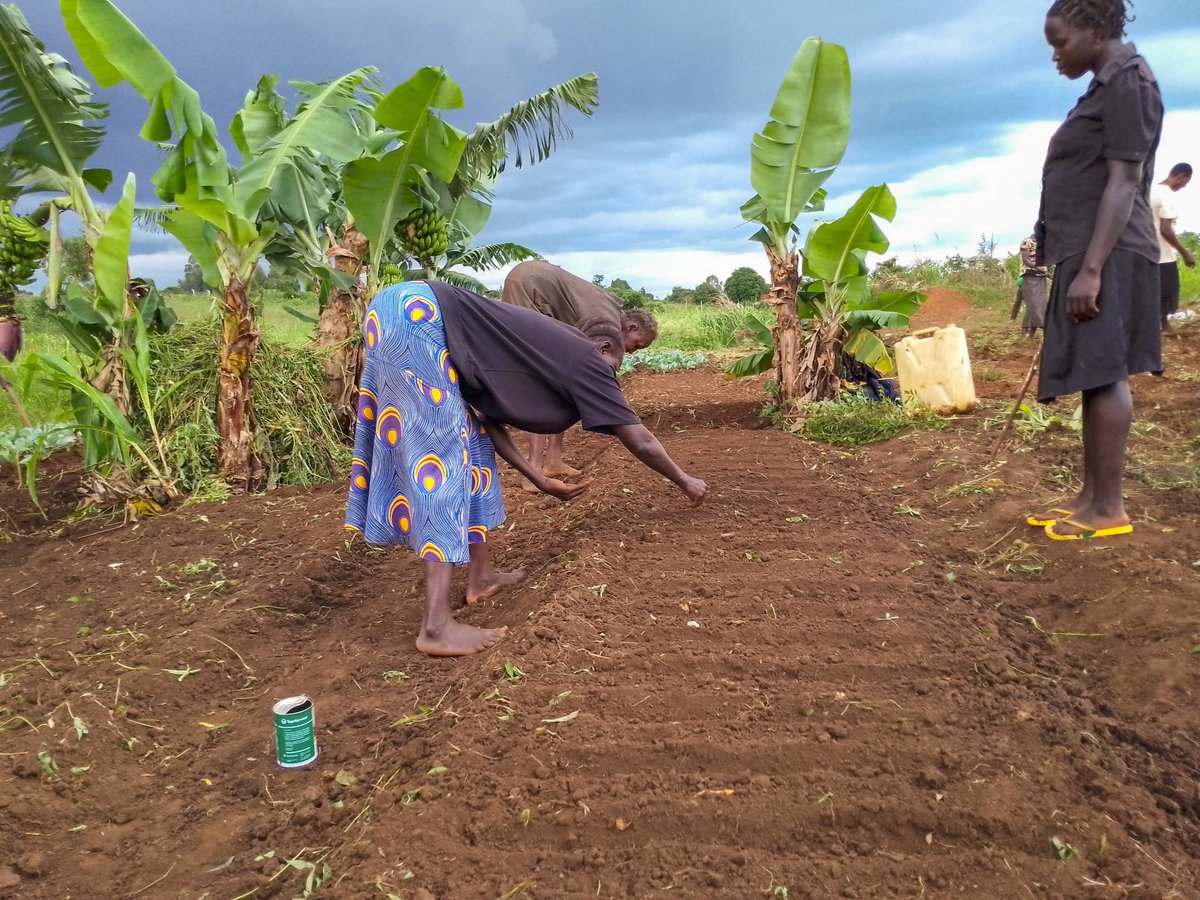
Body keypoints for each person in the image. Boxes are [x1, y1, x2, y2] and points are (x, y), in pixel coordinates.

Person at [345, 280, 706, 657]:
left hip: (403, 313)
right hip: (417, 315)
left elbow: (486, 420)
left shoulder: (545, 355)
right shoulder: (585, 359)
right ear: (603, 347)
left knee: (472, 446)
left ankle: (481, 578)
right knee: (441, 458)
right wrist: (684, 480)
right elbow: (640, 439)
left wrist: (538, 478)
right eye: (616, 363)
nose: (614, 377)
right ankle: (435, 627)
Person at [1027, 0, 1162, 541]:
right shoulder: (1104, 87)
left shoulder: (1132, 82)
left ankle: (1108, 507)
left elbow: (1124, 181)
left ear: (1092, 27)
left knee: (1105, 372)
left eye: (1060, 43)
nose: (1056, 55)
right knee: (1092, 373)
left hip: (1111, 254)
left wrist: (1092, 270)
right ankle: (1089, 496)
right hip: (1086, 252)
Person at [502, 260, 658, 490]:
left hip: (538, 291)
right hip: (529, 290)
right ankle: (533, 473)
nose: (633, 352)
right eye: (637, 345)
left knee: (563, 387)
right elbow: (595, 373)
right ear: (631, 328)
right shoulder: (606, 325)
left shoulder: (610, 318)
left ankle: (553, 462)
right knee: (541, 388)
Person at [1148, 162, 1195, 334]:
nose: (1183, 186)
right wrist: (1185, 252)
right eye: (1185, 182)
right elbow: (1165, 230)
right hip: (1163, 253)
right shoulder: (1168, 196)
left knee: (1149, 291)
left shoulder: (1150, 190)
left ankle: (1153, 326)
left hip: (1144, 251)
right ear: (1181, 177)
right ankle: (1165, 327)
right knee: (1167, 291)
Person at [1014, 236, 1050, 338]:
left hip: (1041, 278)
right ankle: (1028, 331)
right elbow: (1026, 260)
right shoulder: (1027, 242)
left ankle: (1030, 336)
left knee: (1040, 305)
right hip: (1029, 277)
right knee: (1033, 306)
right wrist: (1038, 267)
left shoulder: (1045, 242)